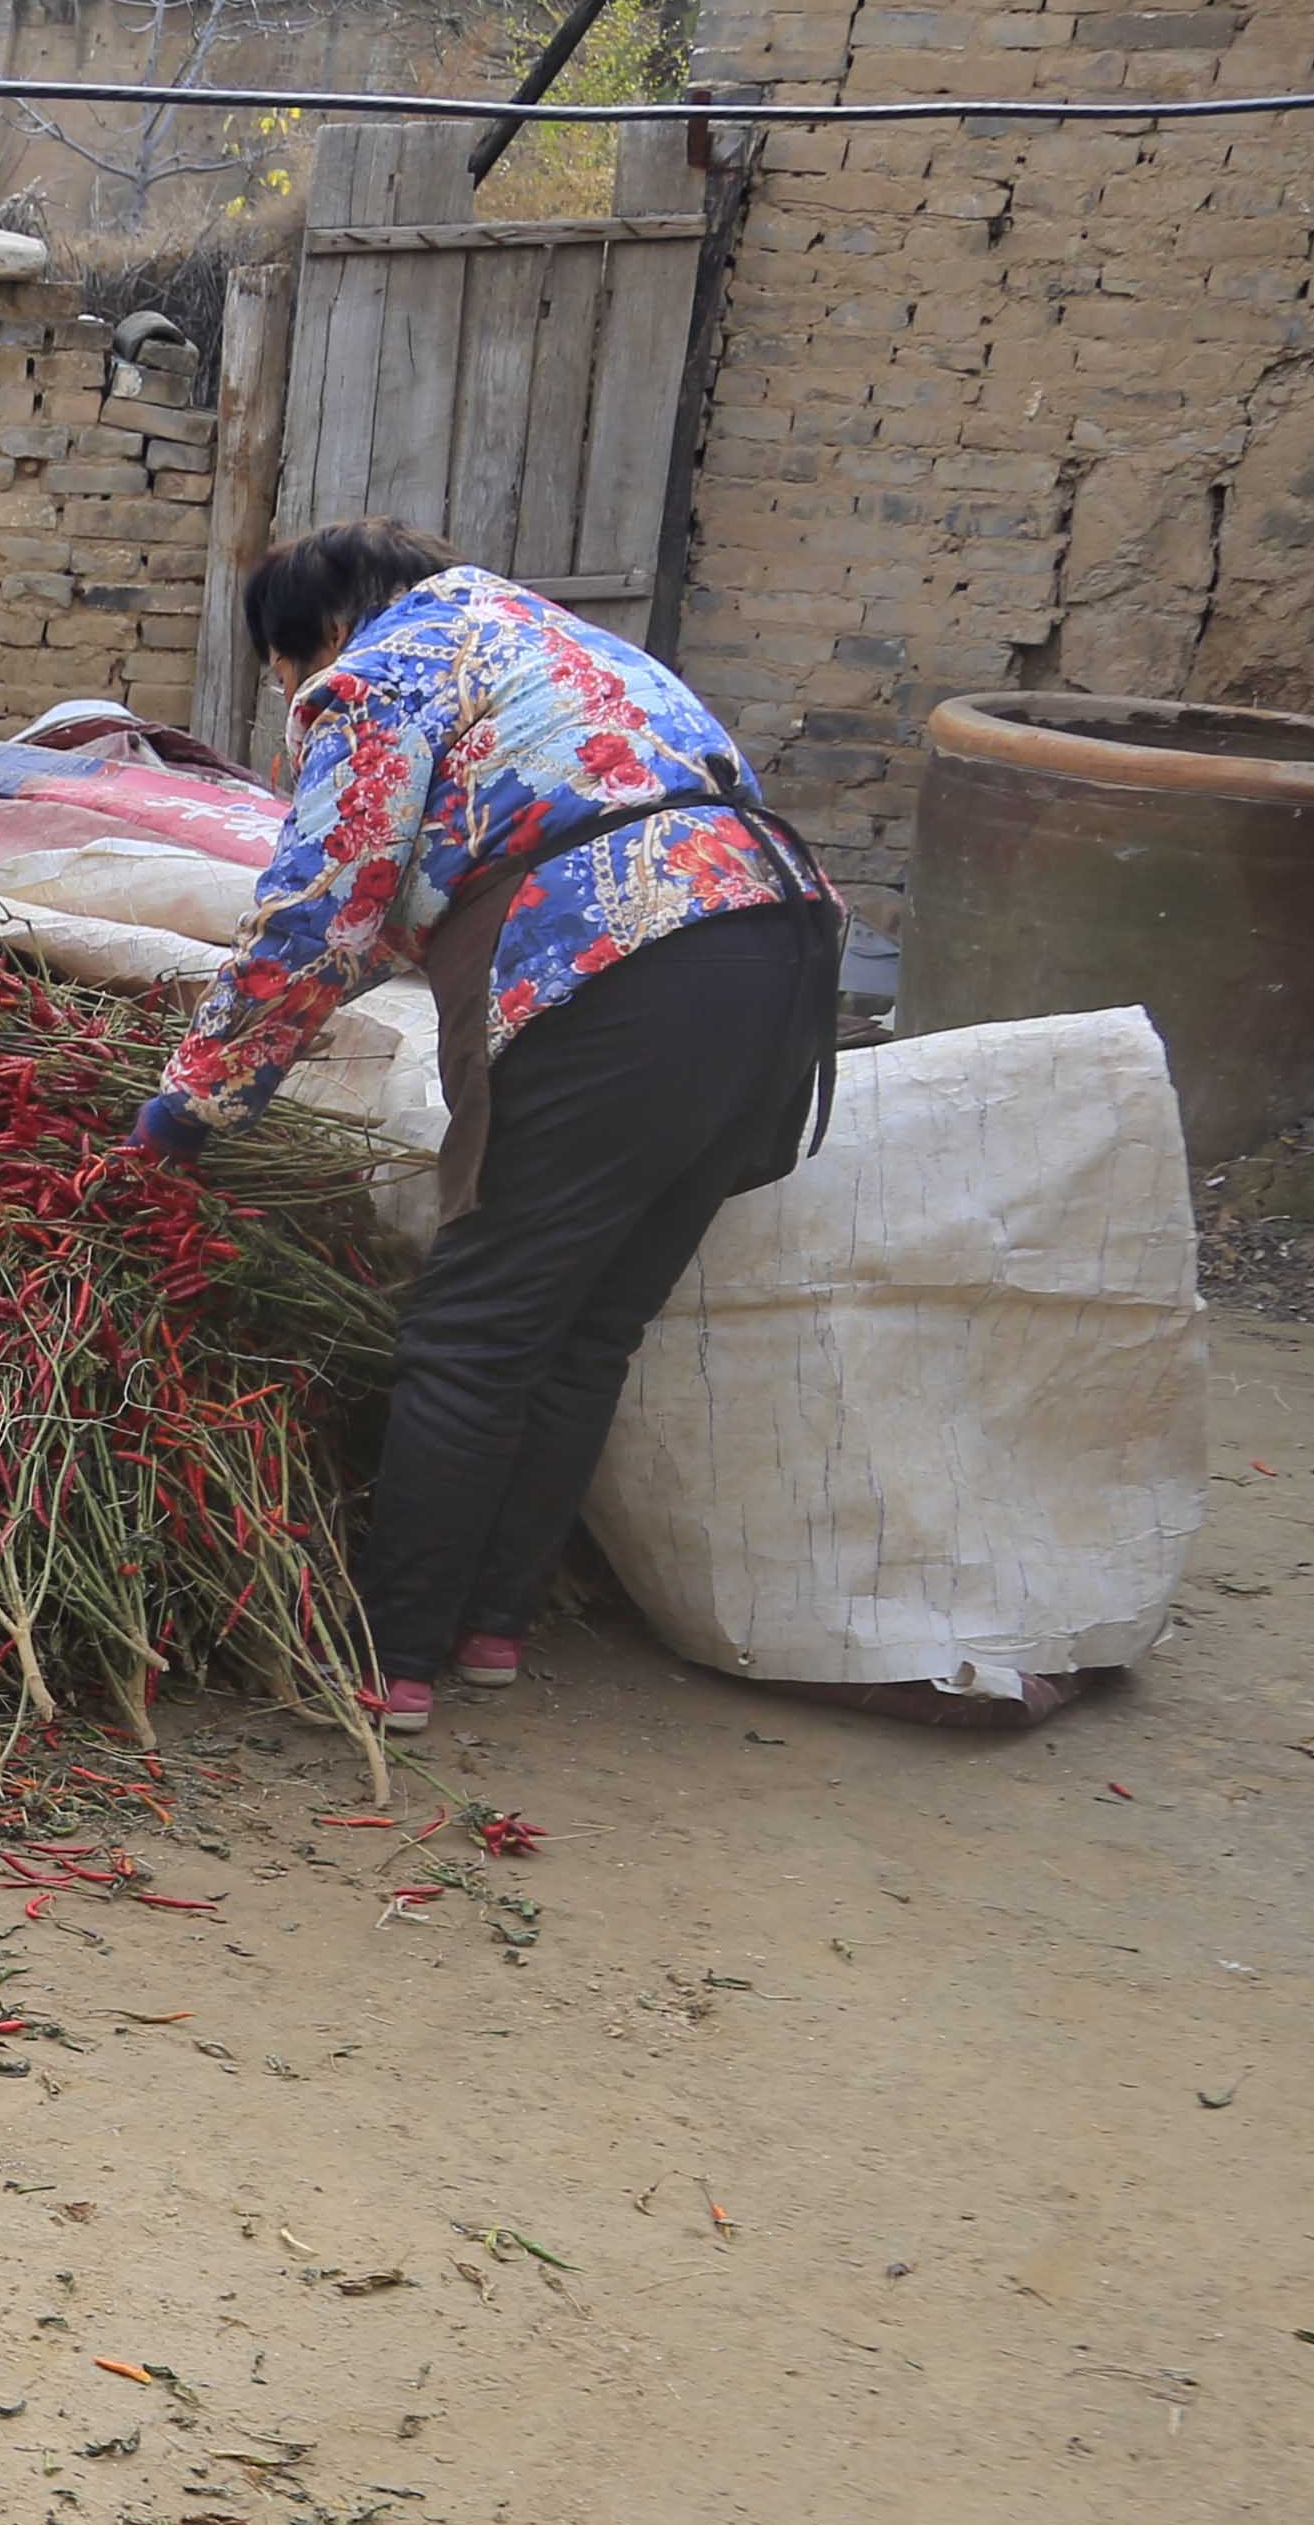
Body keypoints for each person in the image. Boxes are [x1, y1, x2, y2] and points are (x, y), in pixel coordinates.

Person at [131, 520, 841, 1733]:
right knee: (589, 1324)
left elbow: (320, 912)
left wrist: (190, 1106)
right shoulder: (563, 648)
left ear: (321, 634)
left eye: (285, 676)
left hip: (618, 968)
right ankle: (488, 1631)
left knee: (475, 1330)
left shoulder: (379, 673)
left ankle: (390, 1657)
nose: (296, 703)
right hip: (782, 957)